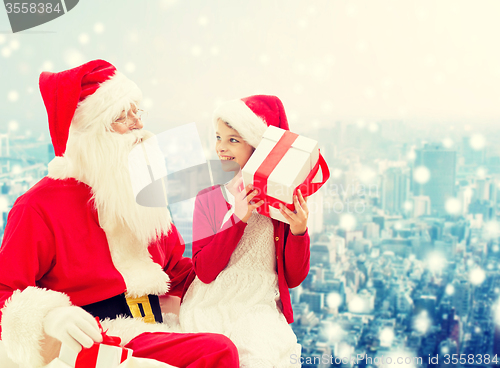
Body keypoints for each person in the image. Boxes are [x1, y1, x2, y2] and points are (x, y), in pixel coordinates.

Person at [0, 59, 238, 368]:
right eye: (121, 117)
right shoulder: (38, 206)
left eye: (136, 112)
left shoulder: (141, 191)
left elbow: (176, 269)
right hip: (103, 337)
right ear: (90, 132)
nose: (138, 125)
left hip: (158, 324)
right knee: (216, 351)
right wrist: (51, 316)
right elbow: (5, 291)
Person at [179, 95, 311, 367]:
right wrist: (237, 219)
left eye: (233, 140)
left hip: (260, 305)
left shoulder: (282, 204)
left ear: (259, 147)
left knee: (260, 355)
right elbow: (204, 270)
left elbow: (294, 277)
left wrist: (299, 232)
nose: (221, 148)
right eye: (218, 137)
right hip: (212, 302)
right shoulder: (209, 197)